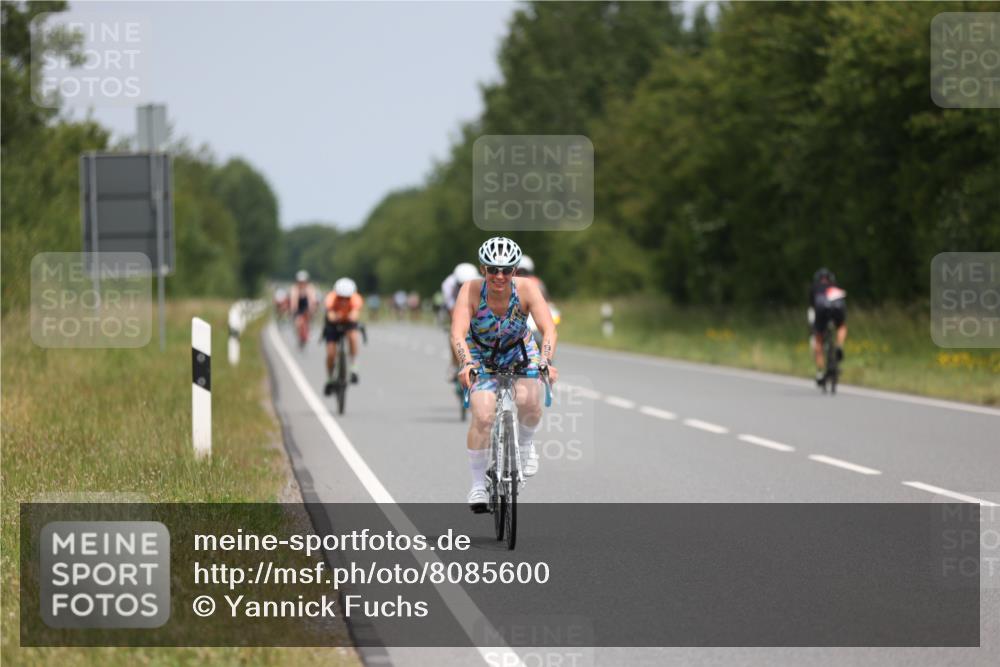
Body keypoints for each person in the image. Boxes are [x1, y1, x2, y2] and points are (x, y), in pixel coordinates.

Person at [452, 237, 559, 512]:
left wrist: (545, 361)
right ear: (483, 268)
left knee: (529, 400)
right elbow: (458, 333)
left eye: (506, 270)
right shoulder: (471, 290)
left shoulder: (527, 289)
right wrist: (466, 363)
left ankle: (524, 445)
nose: (499, 276)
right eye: (492, 269)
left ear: (515, 271)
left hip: (519, 352)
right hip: (481, 354)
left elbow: (548, 329)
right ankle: (477, 485)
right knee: (484, 414)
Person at [323, 277, 364, 394]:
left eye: (347, 298)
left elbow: (355, 313)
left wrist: (350, 315)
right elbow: (330, 314)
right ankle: (330, 378)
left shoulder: (356, 298)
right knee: (331, 353)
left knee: (353, 337)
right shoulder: (331, 298)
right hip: (333, 324)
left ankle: (354, 367)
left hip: (348, 322)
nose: (344, 300)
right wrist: (336, 316)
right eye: (341, 297)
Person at [809, 267, 847, 385]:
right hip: (837, 307)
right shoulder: (835, 287)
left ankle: (820, 372)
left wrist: (812, 326)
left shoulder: (814, 288)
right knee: (841, 326)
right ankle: (839, 345)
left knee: (818, 340)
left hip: (821, 308)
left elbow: (812, 308)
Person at [441, 263, 480, 378]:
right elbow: (452, 308)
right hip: (456, 306)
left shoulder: (480, 281)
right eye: (461, 284)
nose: (465, 286)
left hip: (474, 307)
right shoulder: (448, 285)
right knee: (454, 331)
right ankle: (454, 363)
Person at [288, 270, 318, 344]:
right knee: (298, 323)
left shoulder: (310, 288)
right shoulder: (294, 288)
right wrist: (293, 310)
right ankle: (299, 334)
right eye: (300, 282)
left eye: (303, 282)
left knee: (307, 317)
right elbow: (293, 300)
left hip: (306, 307)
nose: (302, 284)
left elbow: (312, 299)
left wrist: (312, 309)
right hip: (298, 308)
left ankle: (308, 329)